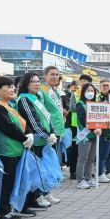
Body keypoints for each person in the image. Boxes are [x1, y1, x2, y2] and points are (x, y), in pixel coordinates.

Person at [0, 76, 33, 219]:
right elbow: (8, 127)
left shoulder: (9, 106)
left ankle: (9, 209)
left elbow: (21, 124)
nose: (12, 89)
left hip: (15, 150)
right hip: (5, 151)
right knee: (5, 183)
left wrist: (28, 134)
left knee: (13, 182)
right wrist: (24, 138)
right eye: (7, 87)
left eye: (12, 86)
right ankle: (2, 213)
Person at [17, 72, 57, 208]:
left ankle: (40, 195)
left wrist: (51, 132)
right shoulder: (24, 98)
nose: (37, 84)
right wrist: (47, 135)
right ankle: (34, 199)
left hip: (43, 140)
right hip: (34, 141)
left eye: (38, 81)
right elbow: (33, 121)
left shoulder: (36, 98)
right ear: (26, 83)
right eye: (33, 81)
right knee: (34, 171)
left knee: (41, 170)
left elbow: (47, 117)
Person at [40, 66, 65, 205]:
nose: (55, 77)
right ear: (45, 76)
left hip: (58, 130)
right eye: (52, 74)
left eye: (57, 74)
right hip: (49, 131)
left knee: (52, 162)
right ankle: (43, 193)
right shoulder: (43, 90)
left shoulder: (54, 91)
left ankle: (47, 192)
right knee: (47, 163)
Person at [74, 82, 101, 189]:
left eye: (92, 90)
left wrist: (100, 127)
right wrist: (94, 128)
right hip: (84, 135)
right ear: (83, 92)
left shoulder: (96, 104)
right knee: (82, 158)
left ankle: (88, 178)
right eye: (88, 90)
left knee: (91, 158)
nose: (90, 92)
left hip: (95, 135)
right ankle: (80, 180)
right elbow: (83, 119)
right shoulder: (80, 104)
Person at [67, 74, 92, 180]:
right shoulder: (75, 94)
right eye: (82, 80)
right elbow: (72, 107)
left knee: (88, 152)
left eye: (86, 81)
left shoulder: (93, 94)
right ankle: (73, 172)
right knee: (75, 150)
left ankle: (87, 172)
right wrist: (83, 107)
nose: (84, 82)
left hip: (89, 126)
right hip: (76, 126)